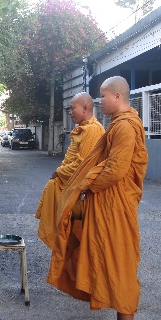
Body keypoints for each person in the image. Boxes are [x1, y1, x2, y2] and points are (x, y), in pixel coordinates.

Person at [47, 76, 148, 320]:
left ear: (117, 96)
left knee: (121, 266)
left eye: (103, 96)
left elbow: (115, 171)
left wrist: (84, 185)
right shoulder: (118, 124)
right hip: (107, 205)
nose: (99, 101)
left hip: (116, 207)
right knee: (109, 264)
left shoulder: (126, 127)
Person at [35, 92, 105, 248]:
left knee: (74, 241)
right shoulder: (83, 128)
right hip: (69, 187)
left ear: (85, 108)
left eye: (73, 108)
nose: (70, 112)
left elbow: (83, 166)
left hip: (81, 193)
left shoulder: (93, 130)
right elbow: (73, 160)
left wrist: (59, 172)